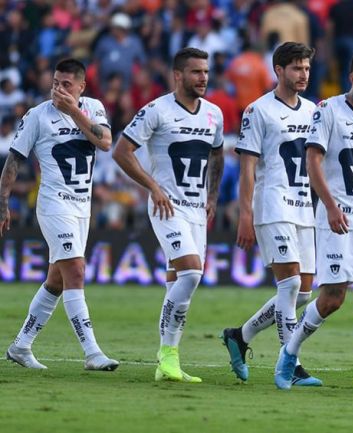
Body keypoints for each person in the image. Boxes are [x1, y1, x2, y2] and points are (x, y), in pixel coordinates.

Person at [273, 47, 353, 394]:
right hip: (338, 217)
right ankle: (289, 353)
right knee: (333, 298)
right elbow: (312, 161)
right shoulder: (328, 111)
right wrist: (330, 207)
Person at [113, 48, 225, 383]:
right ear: (177, 75)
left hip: (196, 209)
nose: (203, 78)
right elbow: (122, 151)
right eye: (195, 72)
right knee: (191, 274)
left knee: (180, 281)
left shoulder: (214, 114)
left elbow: (217, 156)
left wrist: (213, 197)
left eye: (206, 71)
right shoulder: (156, 110)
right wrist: (153, 187)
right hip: (167, 206)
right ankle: (168, 353)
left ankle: (167, 362)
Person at [3, 58, 119, 371]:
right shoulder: (37, 116)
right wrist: (3, 202)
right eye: (55, 82)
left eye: (66, 84)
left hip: (82, 208)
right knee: (76, 271)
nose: (59, 89)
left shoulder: (93, 109)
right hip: (54, 205)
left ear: (81, 87)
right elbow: (13, 161)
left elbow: (105, 142)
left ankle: (20, 346)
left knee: (56, 279)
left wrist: (74, 112)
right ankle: (93, 353)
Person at [219, 42, 320, 386]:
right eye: (296, 68)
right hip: (272, 205)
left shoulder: (313, 111)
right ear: (278, 70)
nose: (303, 74)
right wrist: (244, 215)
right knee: (290, 283)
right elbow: (247, 167)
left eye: (306, 68)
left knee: (303, 292)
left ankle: (240, 335)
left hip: (304, 207)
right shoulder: (257, 111)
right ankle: (290, 364)